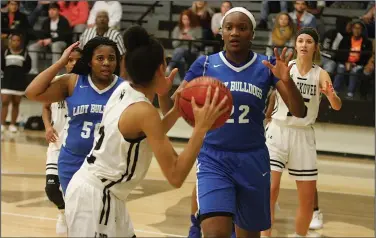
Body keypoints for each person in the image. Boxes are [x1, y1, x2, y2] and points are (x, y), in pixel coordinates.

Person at [63, 25, 228, 237]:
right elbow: (176, 176)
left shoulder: (123, 89)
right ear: (161, 69)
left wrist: (177, 108)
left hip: (104, 195)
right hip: (96, 199)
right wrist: (201, 129)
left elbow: (149, 132)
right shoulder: (144, 111)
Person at [158, 7, 307, 238]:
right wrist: (161, 95)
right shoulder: (204, 65)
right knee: (216, 232)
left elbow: (299, 111)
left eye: (242, 28)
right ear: (221, 33)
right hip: (213, 158)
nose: (235, 32)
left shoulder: (267, 66)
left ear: (252, 34)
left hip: (252, 159)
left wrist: (288, 81)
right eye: (229, 28)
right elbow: (172, 113)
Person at [261, 27, 342, 238]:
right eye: (300, 41)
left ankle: (299, 235)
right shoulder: (287, 67)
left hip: (303, 135)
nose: (304, 44)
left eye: (308, 41)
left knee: (306, 199)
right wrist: (269, 114)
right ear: (295, 45)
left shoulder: (320, 74)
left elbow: (337, 105)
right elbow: (273, 95)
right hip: (277, 131)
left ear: (315, 47)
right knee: (270, 190)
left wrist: (331, 96)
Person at [25, 36, 123, 194]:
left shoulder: (123, 88)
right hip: (72, 161)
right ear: (90, 62)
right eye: (100, 58)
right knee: (72, 211)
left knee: (97, 215)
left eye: (111, 58)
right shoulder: (73, 82)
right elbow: (32, 93)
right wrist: (61, 62)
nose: (106, 62)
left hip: (106, 163)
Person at [41, 47, 82, 235]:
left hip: (77, 147)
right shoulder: (56, 82)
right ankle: (63, 212)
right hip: (56, 144)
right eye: (70, 60)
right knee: (51, 189)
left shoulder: (86, 85)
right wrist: (48, 127)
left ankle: (78, 221)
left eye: (76, 60)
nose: (72, 63)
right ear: (65, 62)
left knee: (74, 190)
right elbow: (45, 108)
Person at [1, 32, 31, 133]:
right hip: (7, 82)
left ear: (21, 42)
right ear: (10, 41)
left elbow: (28, 67)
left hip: (19, 83)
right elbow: (2, 66)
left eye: (18, 40)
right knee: (4, 102)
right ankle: (2, 124)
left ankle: (13, 124)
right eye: (13, 40)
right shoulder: (5, 52)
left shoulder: (25, 53)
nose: (16, 42)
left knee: (16, 104)